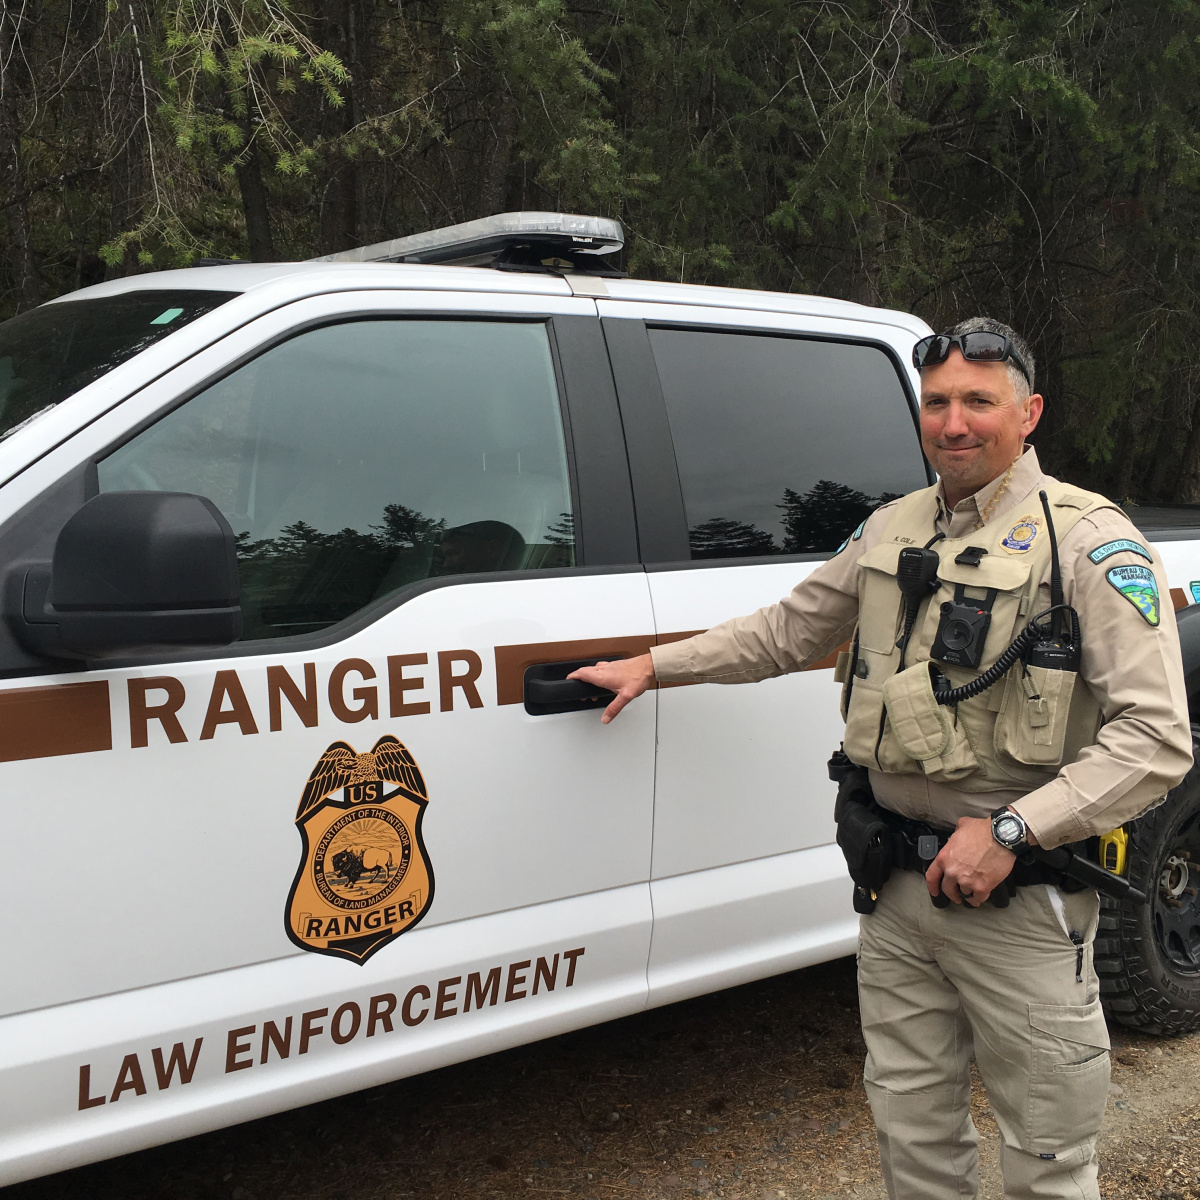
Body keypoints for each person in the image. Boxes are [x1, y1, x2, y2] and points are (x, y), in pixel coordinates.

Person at [568, 316, 1192, 1200]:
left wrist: (1012, 831)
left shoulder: (1089, 542)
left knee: (1048, 1159)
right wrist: (657, 664)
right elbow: (786, 632)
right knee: (911, 1135)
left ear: (1029, 414)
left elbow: (1155, 738)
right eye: (936, 403)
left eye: (978, 402)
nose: (953, 423)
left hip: (1018, 899)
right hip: (894, 888)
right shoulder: (890, 528)